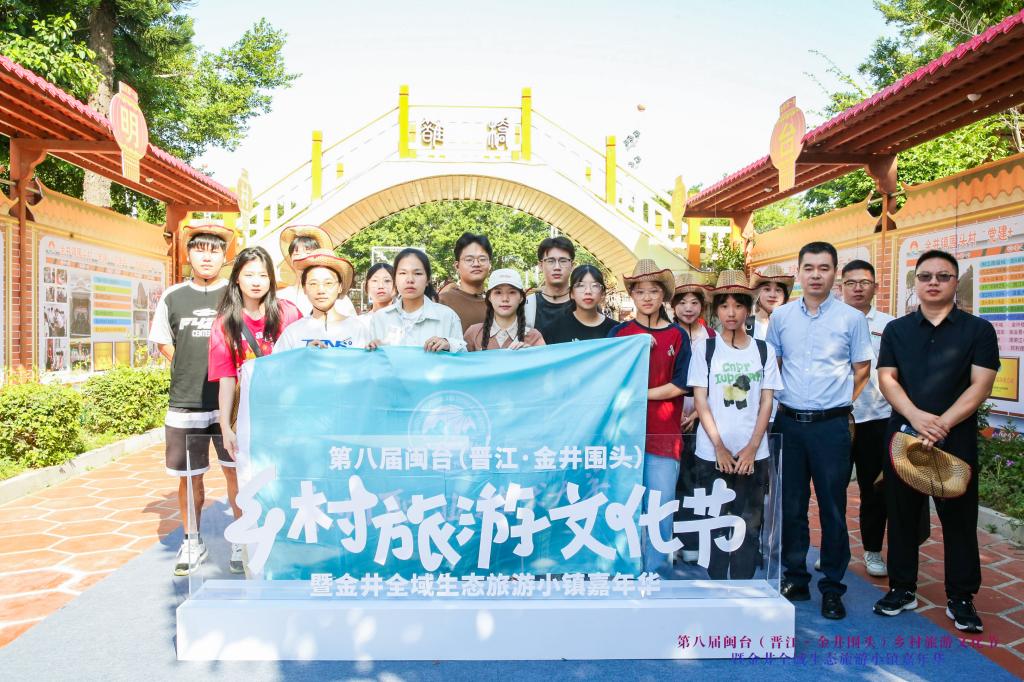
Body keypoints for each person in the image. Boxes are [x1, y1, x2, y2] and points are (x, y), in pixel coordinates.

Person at [873, 249, 999, 633]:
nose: (933, 282)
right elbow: (887, 379)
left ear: (955, 283)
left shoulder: (978, 330)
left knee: (959, 519)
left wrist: (942, 423)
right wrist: (915, 417)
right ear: (915, 283)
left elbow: (981, 384)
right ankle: (902, 588)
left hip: (955, 437)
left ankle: (961, 597)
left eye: (943, 276)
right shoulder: (897, 330)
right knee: (902, 515)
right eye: (925, 276)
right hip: (905, 435)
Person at [766, 241, 872, 620]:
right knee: (792, 506)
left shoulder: (851, 319)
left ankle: (832, 586)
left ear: (834, 273)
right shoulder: (780, 318)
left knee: (832, 507)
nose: (815, 275)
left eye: (823, 268)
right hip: (789, 424)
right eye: (808, 268)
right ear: (798, 272)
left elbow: (862, 369)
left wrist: (840, 404)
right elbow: (775, 365)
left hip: (831, 427)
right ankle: (795, 577)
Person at [148, 224, 235, 576]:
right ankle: (192, 539)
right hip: (186, 400)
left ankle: (242, 542)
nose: (207, 257)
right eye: (200, 249)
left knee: (236, 473)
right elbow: (163, 342)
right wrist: (186, 365)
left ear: (225, 256)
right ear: (189, 254)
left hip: (231, 402)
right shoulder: (173, 296)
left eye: (214, 250)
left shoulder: (235, 293)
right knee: (189, 476)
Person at [687, 270, 784, 579]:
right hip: (711, 452)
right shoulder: (705, 349)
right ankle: (716, 584)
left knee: (748, 522)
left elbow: (766, 402)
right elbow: (701, 401)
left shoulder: (763, 350)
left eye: (738, 305)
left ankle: (743, 586)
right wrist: (719, 447)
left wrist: (752, 448)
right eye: (725, 305)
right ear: (716, 310)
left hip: (753, 454)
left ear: (748, 308)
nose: (731, 313)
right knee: (714, 520)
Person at [608, 259, 690, 576]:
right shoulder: (620, 334)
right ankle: (625, 572)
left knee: (660, 510)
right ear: (631, 295)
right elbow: (611, 381)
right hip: (624, 437)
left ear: (663, 295)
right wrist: (635, 345)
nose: (646, 297)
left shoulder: (677, 336)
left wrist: (640, 394)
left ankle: (657, 575)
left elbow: (680, 385)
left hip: (664, 437)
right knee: (624, 509)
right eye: (640, 291)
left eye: (653, 291)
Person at [210, 246, 302, 462]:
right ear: (237, 279)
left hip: (287, 411)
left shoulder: (288, 313)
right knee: (253, 474)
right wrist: (225, 427)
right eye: (249, 275)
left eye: (263, 275)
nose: (256, 282)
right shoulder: (224, 324)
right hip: (247, 415)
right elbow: (227, 379)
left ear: (271, 279)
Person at [841, 259, 896, 579]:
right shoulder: (830, 321)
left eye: (864, 282)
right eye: (851, 282)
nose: (858, 288)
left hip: (876, 416)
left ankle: (873, 550)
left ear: (875, 287)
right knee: (832, 487)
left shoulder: (890, 325)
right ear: (841, 287)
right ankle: (835, 550)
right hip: (837, 416)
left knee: (873, 489)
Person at [670, 272, 715, 563]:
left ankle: (692, 539)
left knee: (696, 480)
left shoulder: (711, 337)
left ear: (702, 306)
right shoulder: (668, 334)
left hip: (703, 418)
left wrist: (698, 413)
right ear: (673, 306)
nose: (688, 308)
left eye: (694, 302)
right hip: (670, 418)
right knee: (670, 481)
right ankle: (668, 538)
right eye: (682, 302)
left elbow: (716, 382)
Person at [369, 248, 467, 352]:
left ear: (428, 279)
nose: (410, 280)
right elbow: (373, 359)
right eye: (403, 273)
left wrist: (448, 344)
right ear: (395, 279)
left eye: (418, 273)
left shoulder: (447, 316)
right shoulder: (380, 318)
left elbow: (463, 355)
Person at [274, 249, 369, 351]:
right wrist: (303, 355)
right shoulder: (292, 333)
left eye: (328, 283)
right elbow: (278, 360)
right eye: (313, 283)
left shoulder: (357, 329)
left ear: (340, 287)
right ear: (304, 288)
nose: (321, 290)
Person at [277, 224, 357, 317]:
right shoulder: (281, 297)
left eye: (308, 253)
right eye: (296, 253)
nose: (302, 257)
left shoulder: (338, 299)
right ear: (291, 260)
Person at [464, 269, 545, 351]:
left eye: (512, 292)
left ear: (521, 297)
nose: (505, 299)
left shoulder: (534, 336)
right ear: (489, 297)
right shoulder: (473, 333)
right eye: (498, 292)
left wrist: (530, 355)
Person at [542, 264, 617, 343]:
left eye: (595, 285)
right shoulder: (554, 330)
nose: (588, 291)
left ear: (603, 293)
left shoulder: (617, 330)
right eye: (580, 285)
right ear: (571, 293)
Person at [439, 232, 493, 333]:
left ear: (489, 265)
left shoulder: (499, 303)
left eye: (482, 259)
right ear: (457, 266)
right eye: (469, 259)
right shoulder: (442, 302)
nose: (476, 264)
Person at [524, 235, 575, 338]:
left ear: (572, 266)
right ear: (540, 265)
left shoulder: (585, 303)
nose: (557, 267)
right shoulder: (527, 305)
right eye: (550, 261)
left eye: (563, 261)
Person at [748, 265, 794, 340]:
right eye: (767, 289)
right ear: (758, 293)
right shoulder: (745, 326)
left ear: (784, 296)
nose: (772, 295)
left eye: (778, 290)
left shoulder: (788, 327)